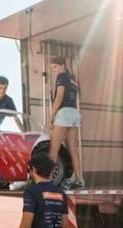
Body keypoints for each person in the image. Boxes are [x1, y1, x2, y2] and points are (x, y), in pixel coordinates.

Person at [47, 56, 84, 189]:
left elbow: (59, 96)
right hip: (74, 113)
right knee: (72, 149)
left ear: (62, 65)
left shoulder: (61, 76)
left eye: (55, 67)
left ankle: (49, 181)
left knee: (53, 149)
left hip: (64, 113)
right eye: (52, 68)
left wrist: (51, 115)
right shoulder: (73, 80)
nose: (54, 70)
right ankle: (80, 181)